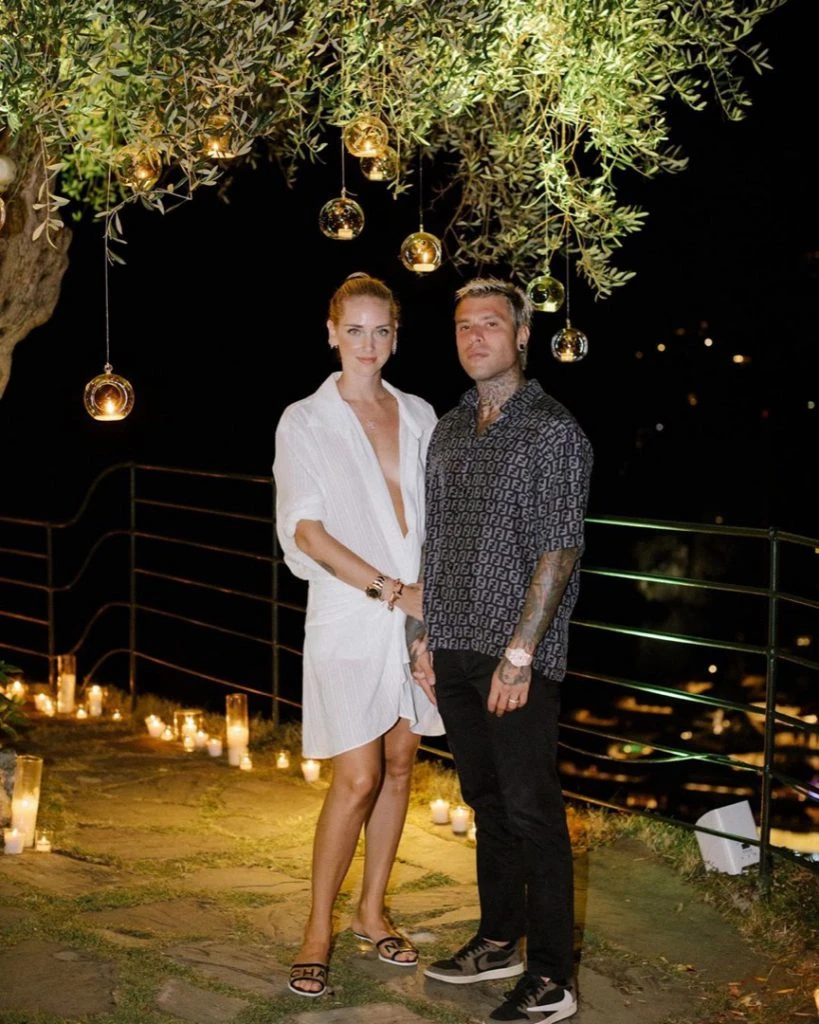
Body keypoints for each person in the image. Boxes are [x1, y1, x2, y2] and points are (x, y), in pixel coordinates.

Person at [409, 277, 592, 1023]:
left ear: (520, 335)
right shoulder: (450, 427)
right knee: (485, 802)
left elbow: (560, 549)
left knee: (531, 811)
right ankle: (497, 940)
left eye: (490, 323)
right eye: (463, 325)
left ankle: (551, 976)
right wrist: (421, 635)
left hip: (513, 655)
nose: (475, 336)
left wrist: (520, 654)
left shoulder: (553, 431)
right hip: (452, 643)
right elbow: (434, 538)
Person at [273, 272, 444, 999]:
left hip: (416, 615)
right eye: (354, 330)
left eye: (380, 331)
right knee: (358, 777)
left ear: (395, 337)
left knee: (401, 764)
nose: (367, 344)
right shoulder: (305, 421)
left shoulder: (420, 414)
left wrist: (426, 618)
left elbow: (436, 523)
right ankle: (317, 930)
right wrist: (390, 591)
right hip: (349, 614)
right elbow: (306, 531)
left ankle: (371, 912)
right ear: (331, 333)